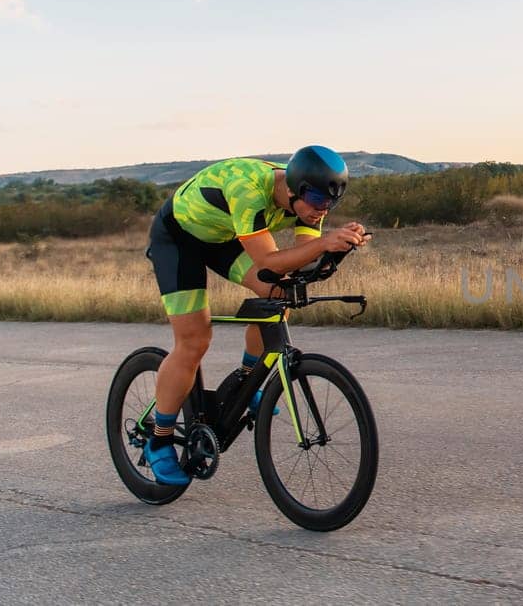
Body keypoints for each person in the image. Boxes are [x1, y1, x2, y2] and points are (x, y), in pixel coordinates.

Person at [142, 145, 370, 485]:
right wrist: (324, 244)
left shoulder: (308, 195)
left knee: (282, 291)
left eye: (330, 203)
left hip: (223, 235)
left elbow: (299, 264)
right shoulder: (249, 190)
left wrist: (339, 249)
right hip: (179, 239)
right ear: (294, 190)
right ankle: (159, 439)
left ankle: (247, 379)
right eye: (318, 202)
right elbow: (268, 263)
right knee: (194, 341)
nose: (322, 210)